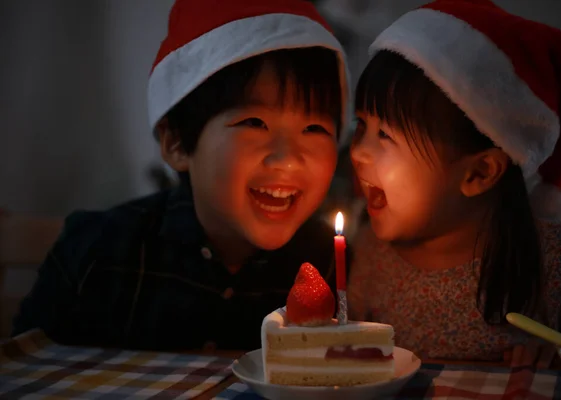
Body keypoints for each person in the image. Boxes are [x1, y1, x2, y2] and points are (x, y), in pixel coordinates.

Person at [13, 0, 351, 351]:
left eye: (314, 128)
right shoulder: (96, 254)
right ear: (177, 143)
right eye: (255, 123)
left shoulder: (335, 267)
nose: (289, 159)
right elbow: (24, 371)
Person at [348, 0, 561, 362]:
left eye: (385, 134)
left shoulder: (553, 267)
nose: (358, 152)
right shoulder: (371, 253)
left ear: (479, 173)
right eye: (361, 125)